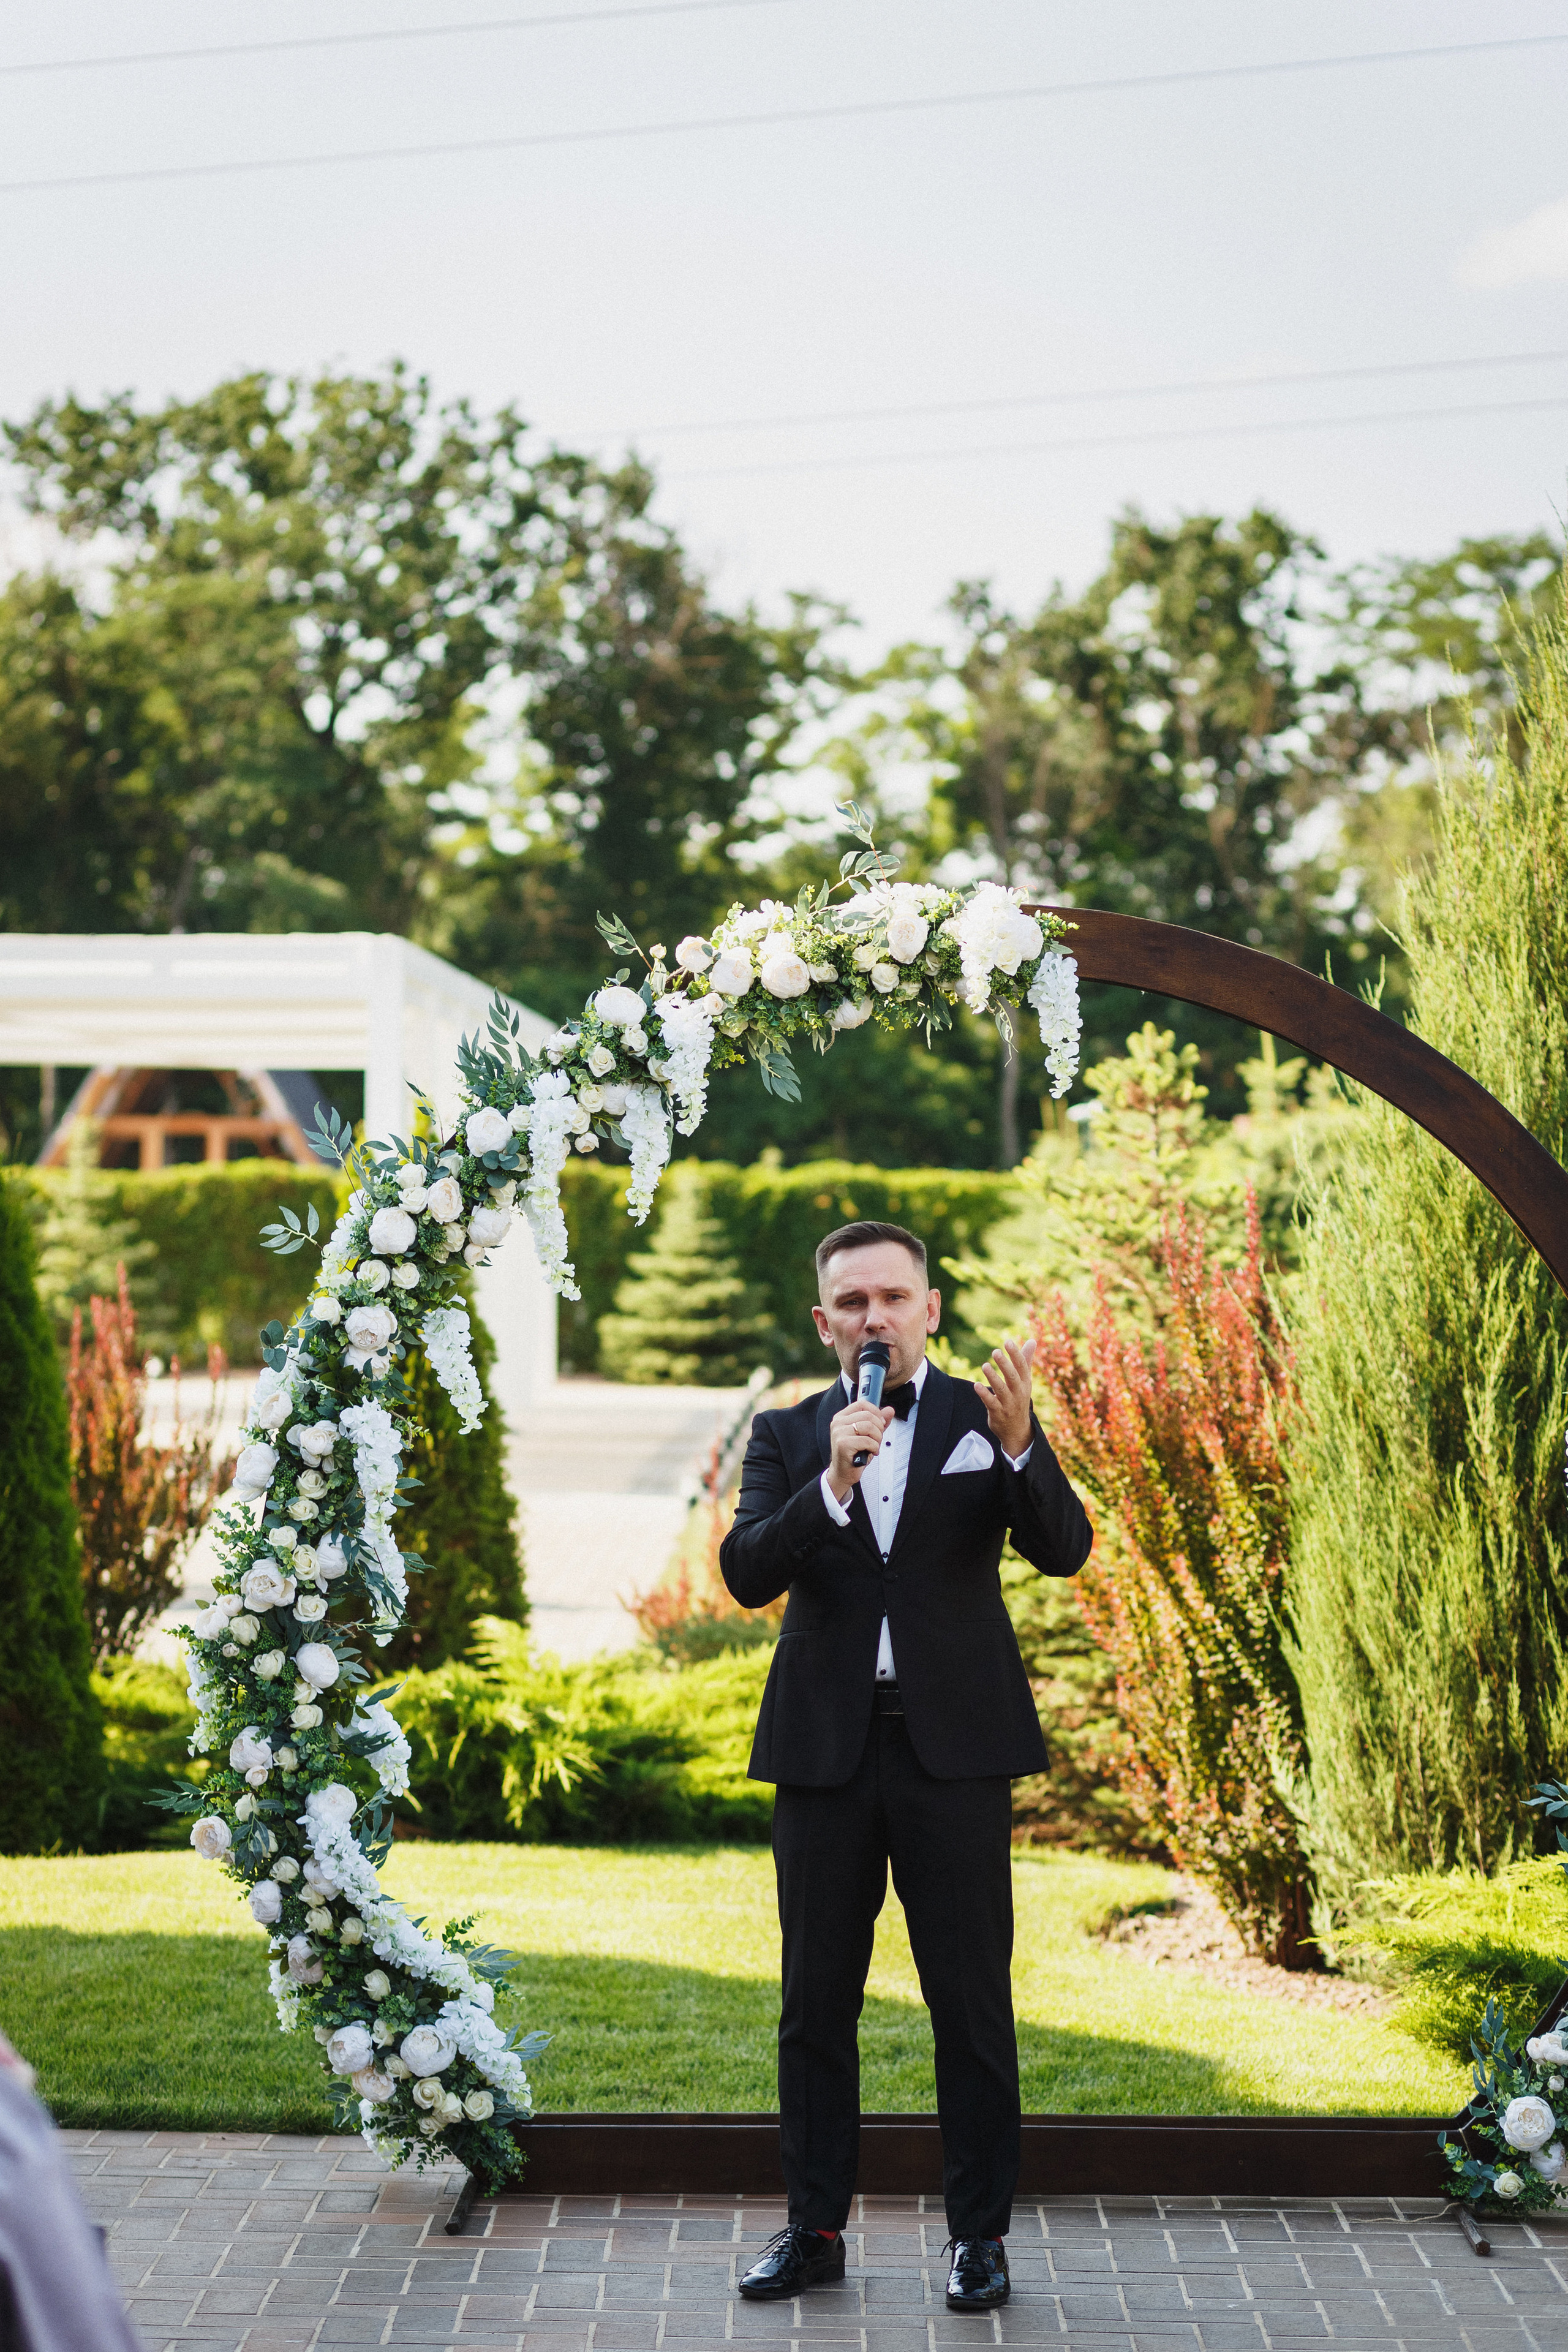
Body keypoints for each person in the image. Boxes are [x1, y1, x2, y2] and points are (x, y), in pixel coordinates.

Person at [720, 1220, 1093, 2315]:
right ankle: (814, 2229)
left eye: (893, 1297)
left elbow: (1065, 1548)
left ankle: (979, 2237)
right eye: (852, 1302)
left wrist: (1022, 1449)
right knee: (814, 2004)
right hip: (825, 1755)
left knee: (970, 2004)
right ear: (823, 1321)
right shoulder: (788, 1433)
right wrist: (832, 1484)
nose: (873, 1317)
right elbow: (746, 1571)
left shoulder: (988, 1417)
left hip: (956, 1753)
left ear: (930, 1309)